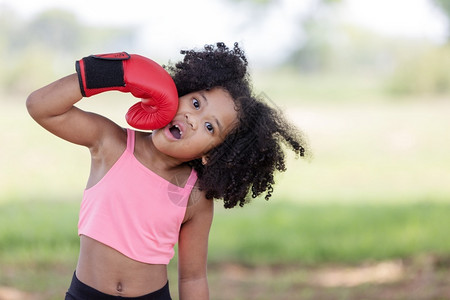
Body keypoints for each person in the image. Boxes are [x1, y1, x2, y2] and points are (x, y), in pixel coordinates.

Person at [26, 42, 308, 300]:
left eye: (210, 127)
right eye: (196, 103)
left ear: (212, 154)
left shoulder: (195, 194)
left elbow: (194, 277)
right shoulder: (111, 142)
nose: (193, 119)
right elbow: (41, 107)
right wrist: (105, 73)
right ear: (180, 92)